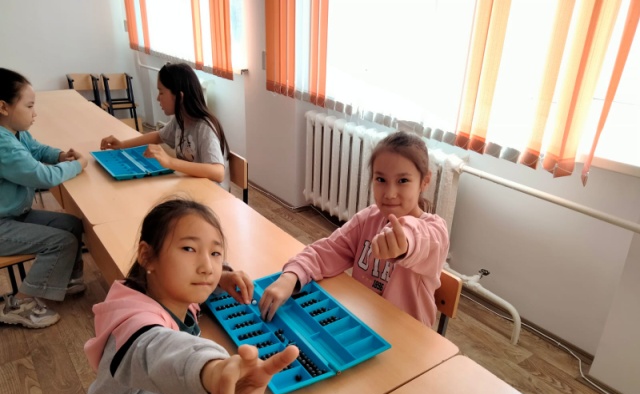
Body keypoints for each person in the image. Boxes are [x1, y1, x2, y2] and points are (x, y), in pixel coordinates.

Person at [68, 198, 299, 394]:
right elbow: (161, 352)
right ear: (147, 257)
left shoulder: (165, 293)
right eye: (189, 249)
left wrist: (221, 278)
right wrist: (215, 369)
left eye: (215, 253)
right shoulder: (132, 328)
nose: (206, 267)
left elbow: (197, 283)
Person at [259, 131, 449, 328]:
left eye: (403, 181)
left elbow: (422, 238)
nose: (390, 194)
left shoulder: (436, 231)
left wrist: (405, 241)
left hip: (407, 336)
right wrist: (290, 276)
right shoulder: (368, 219)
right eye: (381, 179)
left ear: (425, 181)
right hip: (362, 323)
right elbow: (325, 252)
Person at [0, 68, 88, 329]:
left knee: (72, 224)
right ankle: (19, 304)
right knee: (61, 242)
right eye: (29, 106)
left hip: (13, 214)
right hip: (3, 224)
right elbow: (43, 177)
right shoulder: (3, 145)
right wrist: (78, 164)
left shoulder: (14, 131)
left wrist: (60, 156)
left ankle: (63, 279)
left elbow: (37, 149)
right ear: (3, 107)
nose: (34, 113)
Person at [100, 62, 230, 188]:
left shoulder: (204, 127)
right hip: (191, 186)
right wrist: (122, 145)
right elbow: (158, 136)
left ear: (179, 97)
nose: (158, 98)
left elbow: (218, 172)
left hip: (213, 194)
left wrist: (170, 161)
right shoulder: (180, 119)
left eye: (161, 92)